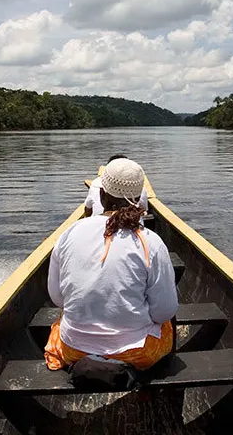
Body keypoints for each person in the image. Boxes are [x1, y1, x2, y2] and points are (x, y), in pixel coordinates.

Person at [45, 158, 178, 371]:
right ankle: (158, 377)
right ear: (139, 199)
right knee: (169, 321)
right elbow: (164, 312)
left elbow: (57, 298)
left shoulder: (69, 233)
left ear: (101, 195)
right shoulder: (151, 241)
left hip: (74, 349)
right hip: (136, 354)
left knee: (62, 321)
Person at [83, 154, 148, 217]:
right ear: (138, 198)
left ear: (102, 194)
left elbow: (88, 209)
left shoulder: (94, 188)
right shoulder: (140, 190)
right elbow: (145, 209)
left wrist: (86, 219)